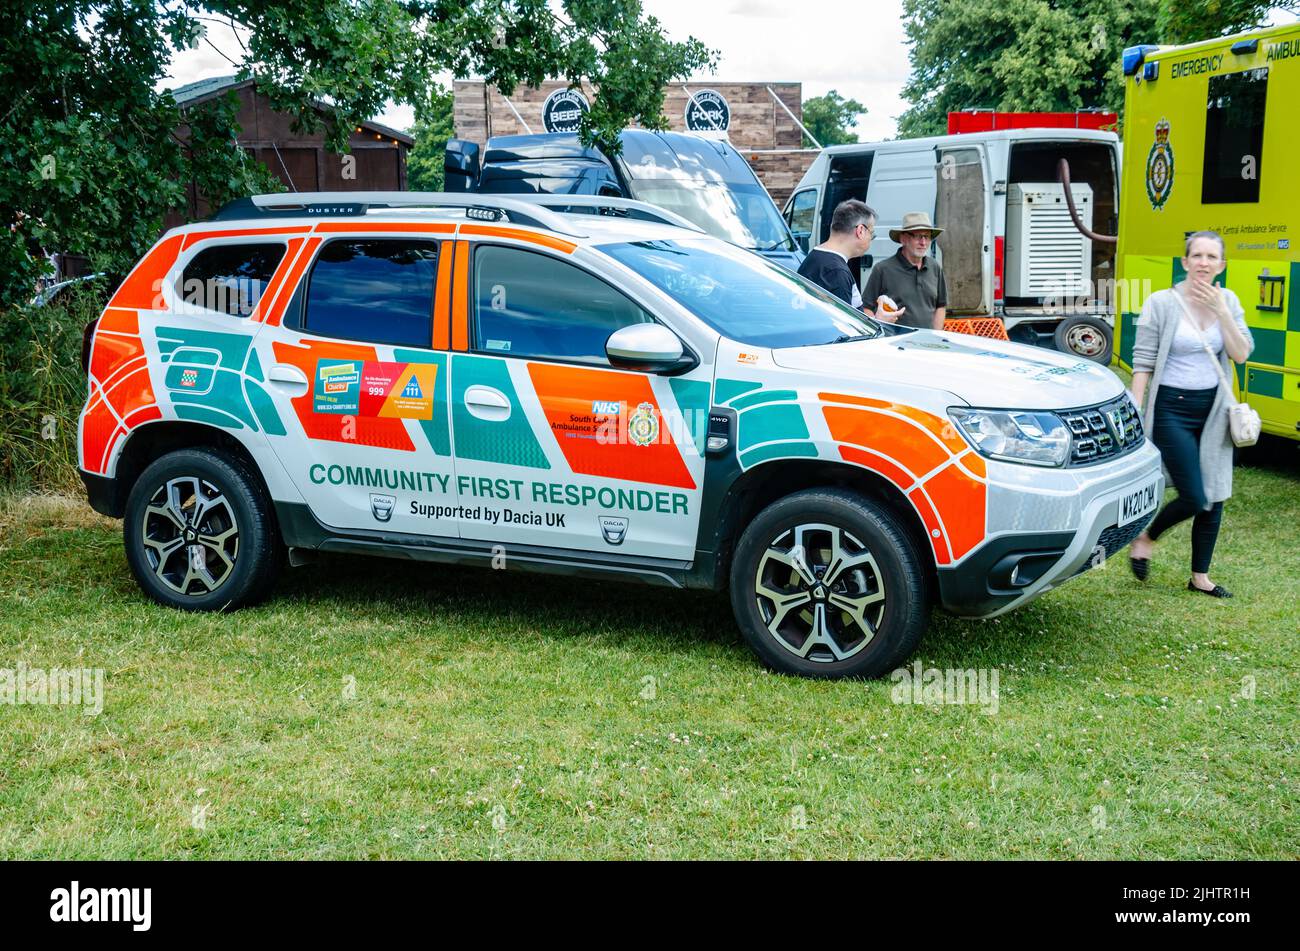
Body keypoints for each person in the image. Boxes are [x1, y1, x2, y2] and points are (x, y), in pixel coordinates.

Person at [1128, 231, 1254, 598]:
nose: (1203, 262)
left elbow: (1241, 352)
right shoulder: (1161, 302)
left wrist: (1222, 313)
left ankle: (1200, 577)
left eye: (1211, 257)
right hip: (1171, 408)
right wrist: (1137, 407)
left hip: (1214, 410)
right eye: (1196, 255)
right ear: (1184, 262)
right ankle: (1146, 539)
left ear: (1222, 265)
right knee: (1195, 495)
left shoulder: (1228, 300)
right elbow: (1143, 360)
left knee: (1214, 495)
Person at [796, 199, 895, 320]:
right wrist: (880, 322)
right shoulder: (836, 272)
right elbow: (844, 330)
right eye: (872, 233)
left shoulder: (815, 257)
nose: (871, 239)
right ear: (860, 231)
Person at [863, 211, 948, 330]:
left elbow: (941, 306)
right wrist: (879, 332)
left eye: (927, 237)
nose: (923, 243)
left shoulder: (934, 267)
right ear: (903, 239)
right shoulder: (882, 269)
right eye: (918, 236)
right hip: (895, 345)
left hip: (927, 344)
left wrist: (936, 336)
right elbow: (867, 308)